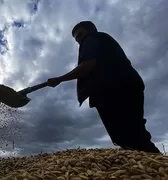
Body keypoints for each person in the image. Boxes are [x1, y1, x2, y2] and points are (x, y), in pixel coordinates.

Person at [47, 21, 161, 153]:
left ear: (91, 30)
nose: (79, 40)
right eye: (76, 38)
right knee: (129, 133)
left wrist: (59, 79)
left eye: (80, 35)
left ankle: (156, 166)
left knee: (131, 134)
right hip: (123, 85)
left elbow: (88, 64)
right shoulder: (101, 41)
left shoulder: (92, 38)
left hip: (116, 88)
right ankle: (147, 166)